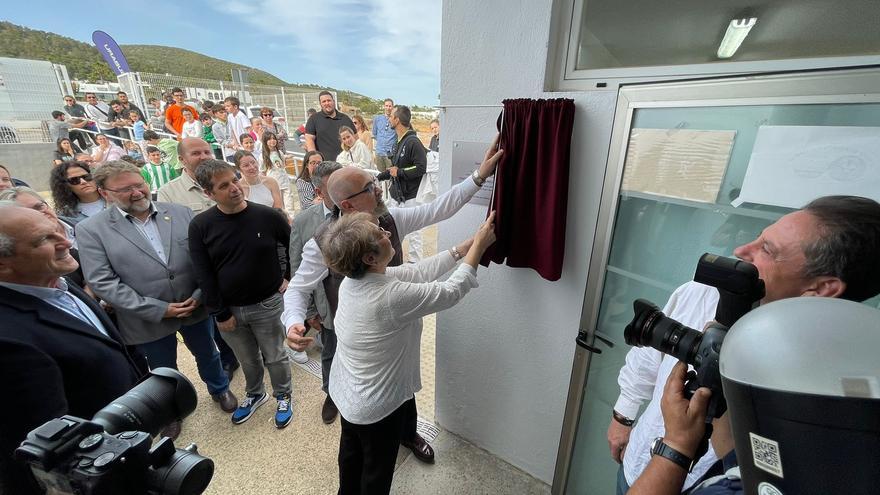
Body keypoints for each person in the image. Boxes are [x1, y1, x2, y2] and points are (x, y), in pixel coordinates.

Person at [612, 195, 880, 493]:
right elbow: (650, 354)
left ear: (821, 287)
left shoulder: (823, 382)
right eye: (759, 236)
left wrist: (678, 446)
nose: (741, 251)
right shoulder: (705, 292)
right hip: (636, 462)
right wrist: (623, 416)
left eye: (767, 249)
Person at [282, 138, 503, 456]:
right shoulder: (322, 241)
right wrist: (292, 323)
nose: (379, 187)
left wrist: (479, 176)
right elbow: (299, 288)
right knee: (356, 384)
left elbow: (436, 210)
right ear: (347, 205)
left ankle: (406, 434)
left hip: (398, 319)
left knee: (400, 383)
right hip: (352, 329)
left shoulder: (389, 219)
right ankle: (350, 412)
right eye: (370, 186)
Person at [323, 210, 497, 495]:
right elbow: (451, 291)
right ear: (369, 257)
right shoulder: (389, 298)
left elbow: (415, 272)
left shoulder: (354, 282)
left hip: (348, 396)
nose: (388, 233)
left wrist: (465, 246)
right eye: (380, 234)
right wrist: (479, 247)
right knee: (376, 475)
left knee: (351, 460)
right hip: (376, 408)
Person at [76, 161, 239, 440]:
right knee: (163, 369)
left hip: (194, 306)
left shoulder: (180, 213)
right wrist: (158, 309)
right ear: (105, 193)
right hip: (146, 318)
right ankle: (171, 411)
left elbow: (205, 259)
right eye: (126, 189)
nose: (137, 192)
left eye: (140, 185)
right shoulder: (92, 230)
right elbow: (102, 281)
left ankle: (219, 388)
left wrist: (200, 295)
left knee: (208, 352)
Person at [0, 205, 144, 495]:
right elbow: (41, 455)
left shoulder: (55, 281)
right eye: (43, 240)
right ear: (3, 264)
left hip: (128, 444)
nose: (65, 241)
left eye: (56, 229)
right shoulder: (8, 340)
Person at [188, 159, 295, 428]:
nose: (235, 188)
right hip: (230, 311)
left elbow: (293, 247)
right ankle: (255, 393)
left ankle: (283, 395)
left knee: (276, 355)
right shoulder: (201, 225)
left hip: (268, 304)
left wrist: (288, 279)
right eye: (224, 186)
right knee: (247, 359)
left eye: (235, 180)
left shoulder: (268, 216)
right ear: (208, 193)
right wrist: (220, 312)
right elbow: (204, 273)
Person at [156, 138, 239, 379]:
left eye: (207, 151)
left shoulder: (230, 180)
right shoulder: (168, 192)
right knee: (214, 319)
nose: (203, 156)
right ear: (182, 159)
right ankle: (228, 359)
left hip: (232, 264)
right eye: (196, 153)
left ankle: (249, 353)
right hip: (200, 270)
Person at [287, 161, 344, 405]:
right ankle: (331, 396)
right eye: (335, 186)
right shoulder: (303, 221)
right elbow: (297, 267)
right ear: (319, 192)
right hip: (327, 306)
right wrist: (309, 312)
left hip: (357, 301)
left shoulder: (358, 211)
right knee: (330, 353)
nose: (343, 191)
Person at [376, 105, 427, 262]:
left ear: (397, 120)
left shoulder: (413, 142)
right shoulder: (399, 142)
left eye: (391, 116)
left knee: (414, 233)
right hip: (396, 196)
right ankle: (393, 259)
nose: (389, 118)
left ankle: (415, 264)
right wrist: (378, 177)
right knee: (394, 230)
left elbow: (420, 167)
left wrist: (400, 172)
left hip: (410, 196)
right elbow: (395, 168)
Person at [305, 91, 354, 158]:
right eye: (324, 101)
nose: (327, 103)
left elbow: (355, 138)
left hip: (346, 163)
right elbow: (309, 139)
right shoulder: (314, 119)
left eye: (329, 100)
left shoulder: (345, 118)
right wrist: (314, 158)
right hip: (325, 165)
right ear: (320, 104)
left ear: (333, 101)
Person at [262, 131, 293, 211]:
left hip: (285, 181)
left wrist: (287, 156)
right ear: (265, 142)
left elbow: (282, 161)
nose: (272, 141)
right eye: (269, 139)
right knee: (279, 206)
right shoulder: (263, 156)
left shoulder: (279, 152)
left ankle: (292, 221)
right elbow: (262, 171)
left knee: (289, 205)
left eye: (273, 138)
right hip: (274, 184)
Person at [372, 98, 396, 172]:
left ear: (392, 107)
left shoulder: (395, 119)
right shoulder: (377, 119)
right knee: (380, 175)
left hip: (390, 154)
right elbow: (375, 133)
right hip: (379, 152)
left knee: (391, 176)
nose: (388, 108)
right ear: (384, 106)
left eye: (390, 106)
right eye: (386, 106)